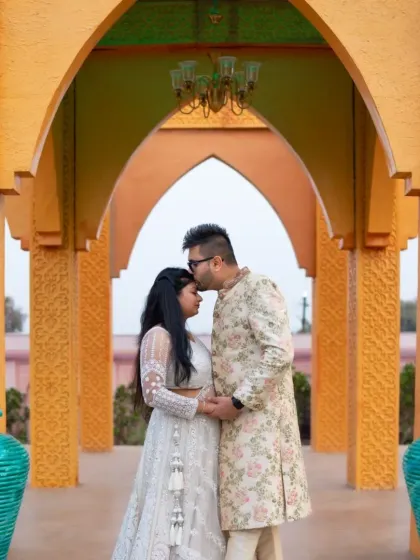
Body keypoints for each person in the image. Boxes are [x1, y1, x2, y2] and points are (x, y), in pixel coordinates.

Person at [182, 225, 312, 560]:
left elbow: (280, 352)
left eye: (193, 263)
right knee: (259, 522)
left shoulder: (258, 288)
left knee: (245, 525)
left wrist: (238, 401)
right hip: (238, 428)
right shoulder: (226, 298)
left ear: (215, 261)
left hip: (261, 428)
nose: (190, 272)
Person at [111, 267, 226, 560]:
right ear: (173, 297)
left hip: (202, 435)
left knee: (198, 504)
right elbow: (153, 393)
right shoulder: (158, 335)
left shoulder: (188, 337)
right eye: (193, 292)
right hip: (175, 437)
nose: (199, 298)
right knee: (173, 505)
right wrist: (200, 407)